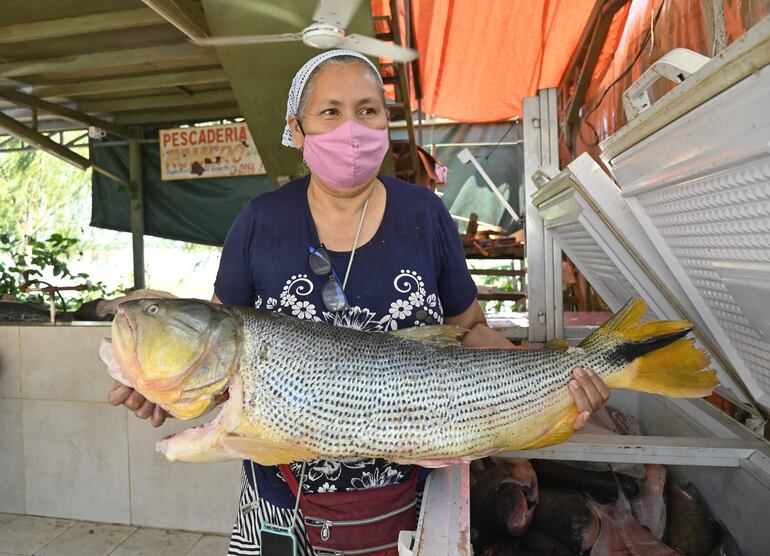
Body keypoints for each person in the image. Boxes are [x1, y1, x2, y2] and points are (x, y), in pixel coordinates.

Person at [108, 49, 610, 555]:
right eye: (330, 111)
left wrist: (553, 383)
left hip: (415, 492)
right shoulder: (260, 221)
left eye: (367, 110)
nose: (351, 127)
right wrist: (164, 386)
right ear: (296, 129)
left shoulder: (425, 213)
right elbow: (223, 348)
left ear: (384, 122)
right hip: (280, 503)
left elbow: (471, 330)